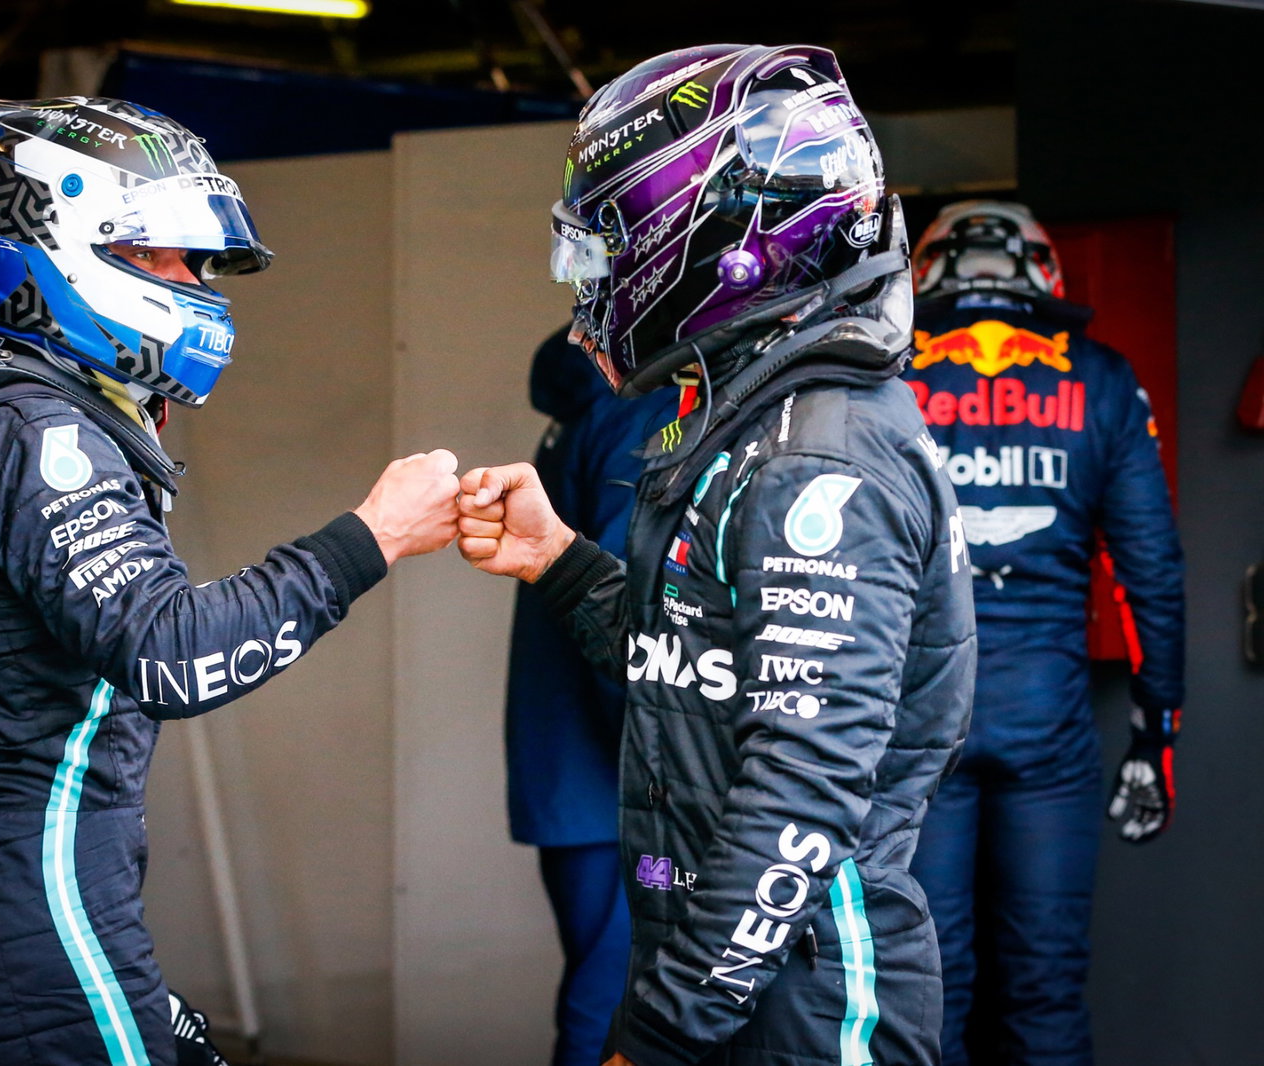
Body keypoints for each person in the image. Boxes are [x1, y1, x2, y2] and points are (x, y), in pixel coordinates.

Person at [0, 96, 461, 1066]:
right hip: (22, 934)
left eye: (194, 259)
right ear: (52, 242)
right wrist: (372, 537)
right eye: (155, 254)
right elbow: (172, 654)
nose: (191, 281)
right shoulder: (43, 438)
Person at [459, 44, 976, 1066]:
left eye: (609, 248)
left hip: (800, 1005)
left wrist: (657, 1033)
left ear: (717, 247)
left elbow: (801, 794)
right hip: (728, 979)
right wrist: (555, 558)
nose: (588, 281)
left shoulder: (817, 459)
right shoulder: (753, 425)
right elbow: (696, 667)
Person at [901, 201, 1186, 1066]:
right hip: (1048, 727)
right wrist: (1156, 735)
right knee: (1046, 990)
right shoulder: (1102, 380)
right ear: (1045, 273)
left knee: (924, 992)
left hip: (914, 728)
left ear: (926, 271)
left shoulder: (882, 377)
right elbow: (1151, 575)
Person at [505, 326, 676, 1066]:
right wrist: (673, 780)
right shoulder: (643, 413)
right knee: (619, 1005)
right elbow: (636, 611)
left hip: (576, 776)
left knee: (608, 996)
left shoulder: (595, 402)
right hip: (616, 782)